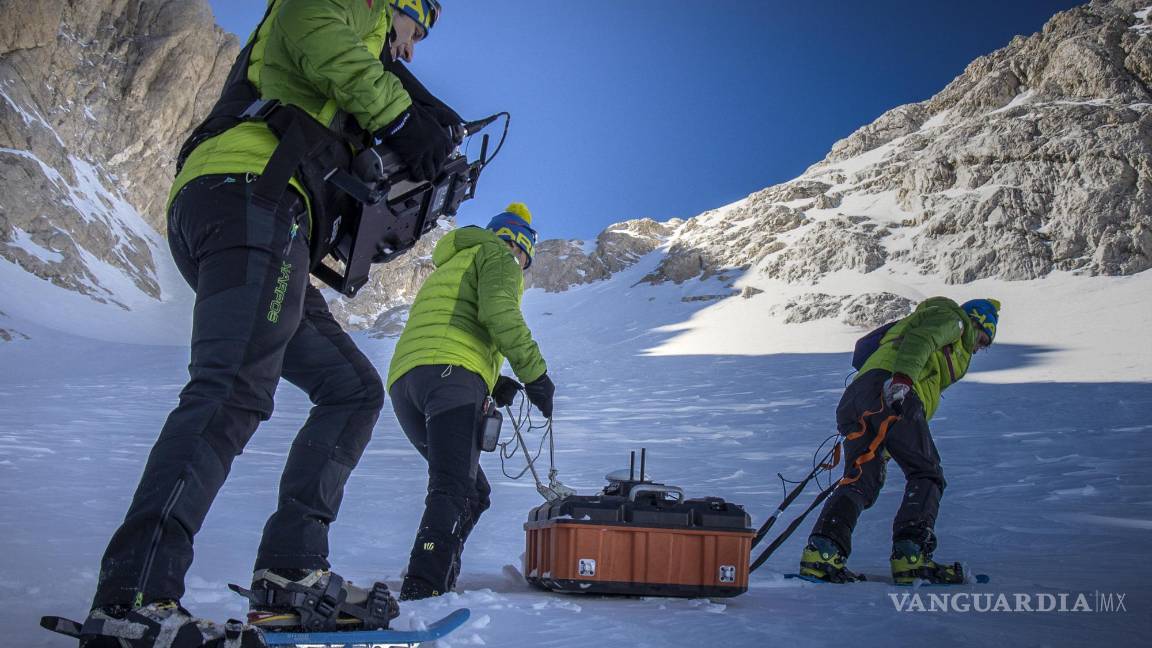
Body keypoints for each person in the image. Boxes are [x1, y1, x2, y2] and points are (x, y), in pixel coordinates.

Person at [81, 1, 455, 645]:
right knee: (232, 388)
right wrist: (396, 115)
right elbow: (312, 32)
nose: (414, 50)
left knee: (352, 389)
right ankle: (134, 596)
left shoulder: (361, 54)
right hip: (247, 192)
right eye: (416, 29)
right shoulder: (333, 8)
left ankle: (291, 571)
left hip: (272, 215)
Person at [387, 202, 554, 600]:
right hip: (451, 376)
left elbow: (453, 324)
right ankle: (424, 585)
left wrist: (494, 382)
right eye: (524, 254)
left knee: (473, 491)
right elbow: (499, 312)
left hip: (407, 382)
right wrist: (536, 376)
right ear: (518, 245)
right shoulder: (499, 256)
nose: (521, 263)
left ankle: (438, 568)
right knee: (455, 487)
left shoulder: (454, 262)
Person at [800, 297, 1001, 585]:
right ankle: (911, 556)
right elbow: (921, 339)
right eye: (984, 338)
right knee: (926, 472)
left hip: (861, 396)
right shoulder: (952, 321)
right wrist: (903, 381)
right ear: (976, 322)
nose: (980, 346)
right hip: (891, 392)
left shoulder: (940, 330)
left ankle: (822, 553)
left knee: (862, 478)